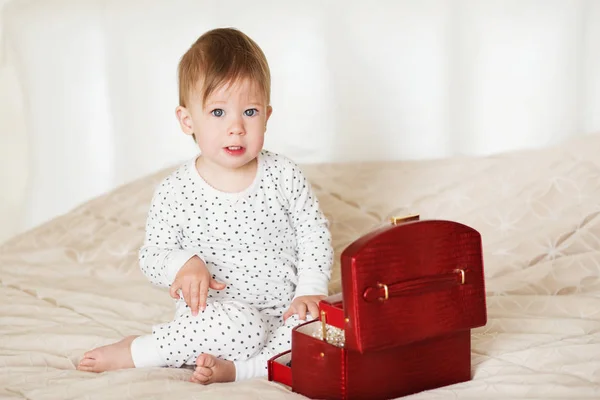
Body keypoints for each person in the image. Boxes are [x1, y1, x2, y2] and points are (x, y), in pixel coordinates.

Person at [77, 27, 333, 385]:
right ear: (187, 120)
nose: (236, 128)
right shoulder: (176, 191)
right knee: (238, 328)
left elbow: (313, 232)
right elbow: (152, 255)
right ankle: (141, 350)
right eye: (217, 112)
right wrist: (184, 263)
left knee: (328, 327)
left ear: (267, 115)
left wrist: (310, 289)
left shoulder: (284, 174)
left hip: (283, 310)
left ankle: (242, 371)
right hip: (219, 315)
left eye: (249, 111)